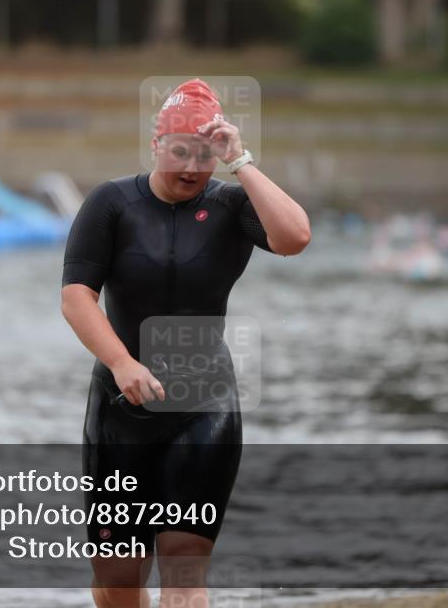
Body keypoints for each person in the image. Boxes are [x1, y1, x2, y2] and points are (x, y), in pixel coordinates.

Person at [61, 79, 311, 608]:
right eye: (180, 152)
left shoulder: (231, 205)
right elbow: (77, 297)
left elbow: (295, 238)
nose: (193, 169)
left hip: (204, 405)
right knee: (118, 578)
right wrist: (121, 362)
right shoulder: (110, 203)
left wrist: (241, 160)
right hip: (120, 406)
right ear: (155, 146)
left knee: (183, 567)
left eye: (205, 156)